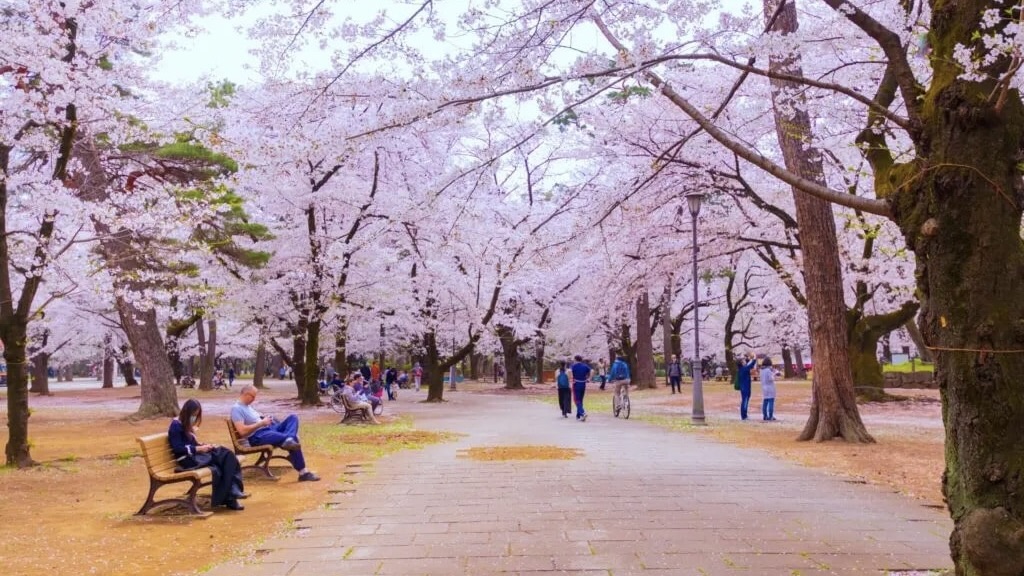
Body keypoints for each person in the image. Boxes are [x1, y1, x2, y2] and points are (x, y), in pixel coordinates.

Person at [169, 399, 246, 510]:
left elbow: (191, 444)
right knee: (226, 456)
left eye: (196, 415)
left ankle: (231, 496)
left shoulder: (185, 424)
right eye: (194, 415)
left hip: (195, 456)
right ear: (187, 412)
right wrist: (199, 448)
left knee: (226, 458)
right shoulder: (176, 425)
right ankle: (232, 493)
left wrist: (204, 446)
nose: (194, 417)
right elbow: (178, 448)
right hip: (188, 460)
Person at [230, 385, 320, 482]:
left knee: (293, 418)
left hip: (269, 429)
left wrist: (266, 418)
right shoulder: (237, 409)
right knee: (293, 439)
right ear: (246, 394)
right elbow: (242, 432)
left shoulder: (247, 406)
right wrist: (261, 423)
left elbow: (257, 419)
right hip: (258, 436)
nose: (254, 399)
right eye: (253, 396)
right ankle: (303, 473)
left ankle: (289, 440)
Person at [569, 355, 592, 421]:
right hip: (583, 383)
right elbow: (592, 371)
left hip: (576, 383)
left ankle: (582, 412)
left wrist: (571, 378)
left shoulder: (573, 366)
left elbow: (569, 371)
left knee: (576, 400)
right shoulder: (585, 366)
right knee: (580, 399)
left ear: (575, 359)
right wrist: (589, 378)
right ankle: (579, 415)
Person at [736, 354, 758, 420]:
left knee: (745, 401)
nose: (745, 361)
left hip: (744, 387)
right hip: (745, 387)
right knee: (745, 401)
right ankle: (744, 416)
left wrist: (749, 359)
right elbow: (751, 365)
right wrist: (754, 358)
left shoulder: (741, 369)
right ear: (742, 363)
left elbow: (748, 364)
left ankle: (745, 415)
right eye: (743, 361)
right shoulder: (744, 369)